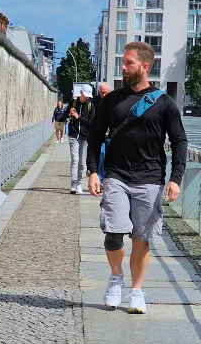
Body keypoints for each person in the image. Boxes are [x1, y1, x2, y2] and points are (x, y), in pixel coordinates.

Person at [87, 42, 187, 314]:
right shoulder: (111, 101)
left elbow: (179, 141)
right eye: (123, 61)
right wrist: (93, 171)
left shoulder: (164, 103)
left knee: (141, 238)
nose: (123, 66)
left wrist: (175, 178)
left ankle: (137, 291)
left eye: (129, 62)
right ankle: (116, 277)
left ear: (145, 67)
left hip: (150, 179)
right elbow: (95, 137)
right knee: (113, 234)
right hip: (116, 176)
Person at [66, 84, 95, 194]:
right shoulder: (73, 103)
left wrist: (79, 117)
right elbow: (64, 116)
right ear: (81, 93)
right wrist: (69, 114)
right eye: (85, 95)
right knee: (75, 160)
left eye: (88, 96)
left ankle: (79, 184)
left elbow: (91, 122)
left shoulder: (90, 106)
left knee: (82, 163)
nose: (87, 97)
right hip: (73, 135)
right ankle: (73, 185)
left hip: (84, 136)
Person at [93, 83, 111, 182]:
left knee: (109, 159)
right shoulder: (95, 102)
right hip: (99, 135)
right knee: (101, 156)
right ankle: (100, 179)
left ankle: (107, 179)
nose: (103, 95)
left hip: (111, 135)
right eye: (101, 93)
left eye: (105, 93)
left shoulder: (114, 101)